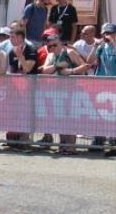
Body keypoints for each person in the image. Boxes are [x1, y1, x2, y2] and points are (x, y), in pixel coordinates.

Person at [39, 34, 89, 155]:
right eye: (49, 46)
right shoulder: (52, 56)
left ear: (60, 43)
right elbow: (44, 70)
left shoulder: (70, 52)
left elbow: (85, 66)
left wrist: (70, 71)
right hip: (58, 92)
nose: (52, 48)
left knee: (70, 120)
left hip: (73, 90)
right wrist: (56, 66)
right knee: (60, 120)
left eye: (55, 45)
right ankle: (62, 146)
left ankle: (71, 147)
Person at [87, 23, 116, 156]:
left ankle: (113, 142)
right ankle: (98, 140)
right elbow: (89, 61)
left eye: (109, 33)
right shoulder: (101, 47)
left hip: (114, 84)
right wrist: (94, 47)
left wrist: (114, 43)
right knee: (99, 114)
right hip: (101, 84)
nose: (106, 36)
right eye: (105, 33)